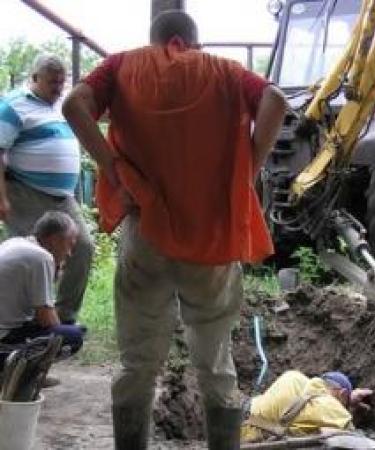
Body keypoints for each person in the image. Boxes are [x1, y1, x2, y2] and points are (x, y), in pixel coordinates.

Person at [62, 10, 287, 450]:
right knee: (215, 363)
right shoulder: (224, 71)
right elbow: (275, 100)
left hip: (146, 233)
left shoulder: (123, 66)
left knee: (136, 363)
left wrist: (114, 171)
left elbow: (74, 105)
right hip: (211, 239)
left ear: (155, 40)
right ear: (193, 43)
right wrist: (250, 170)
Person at [0, 54, 94, 325]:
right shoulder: (14, 105)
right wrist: (2, 197)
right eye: (52, 83)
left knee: (83, 247)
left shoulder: (59, 107)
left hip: (62, 198)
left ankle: (62, 318)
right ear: (35, 78)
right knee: (35, 254)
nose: (57, 88)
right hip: (25, 193)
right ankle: (25, 320)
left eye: (61, 83)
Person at [0, 211, 85, 365]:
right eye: (70, 244)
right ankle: (24, 372)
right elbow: (47, 319)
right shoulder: (41, 257)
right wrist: (63, 330)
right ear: (54, 240)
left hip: (7, 328)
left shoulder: (16, 243)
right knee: (73, 336)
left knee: (66, 330)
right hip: (4, 338)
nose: (70, 253)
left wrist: (55, 272)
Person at [241, 370, 373, 443]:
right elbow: (352, 437)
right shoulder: (330, 405)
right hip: (247, 439)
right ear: (342, 393)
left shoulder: (294, 377)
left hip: (236, 418)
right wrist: (350, 410)